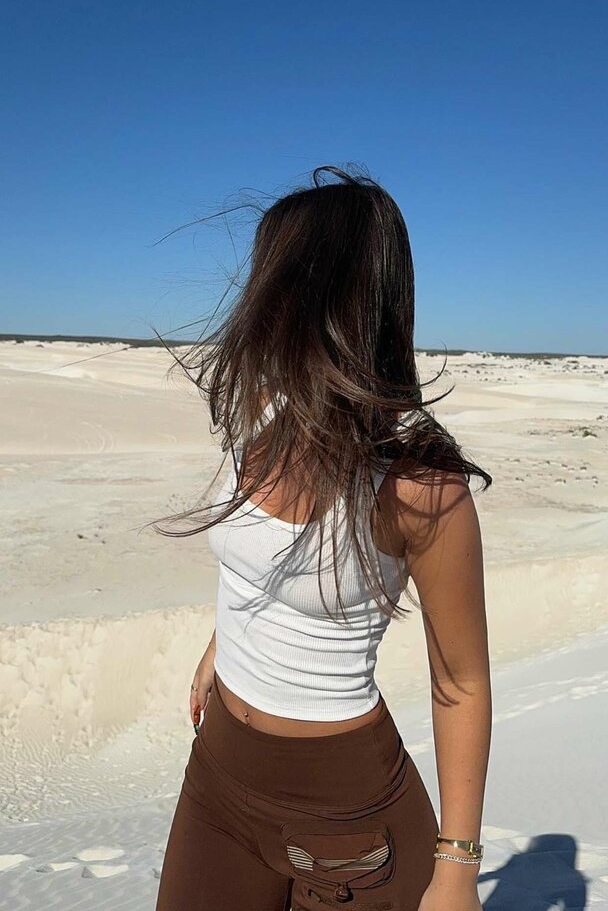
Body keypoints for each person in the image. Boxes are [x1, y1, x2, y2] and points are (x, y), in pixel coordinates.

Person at [153, 165, 493, 911]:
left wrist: (458, 871)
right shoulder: (263, 416)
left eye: (275, 276)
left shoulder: (418, 484)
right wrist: (222, 641)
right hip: (219, 771)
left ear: (328, 295)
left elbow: (462, 682)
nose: (255, 298)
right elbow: (255, 558)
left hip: (345, 808)